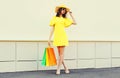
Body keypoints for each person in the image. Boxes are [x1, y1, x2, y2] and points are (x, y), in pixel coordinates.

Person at [48, 4, 76, 75]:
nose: (63, 11)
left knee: (61, 55)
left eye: (64, 10)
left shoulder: (65, 19)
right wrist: (49, 39)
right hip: (57, 37)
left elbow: (75, 22)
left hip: (63, 37)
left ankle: (58, 69)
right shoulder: (54, 18)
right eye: (62, 9)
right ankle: (66, 68)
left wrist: (71, 14)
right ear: (59, 10)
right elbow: (52, 29)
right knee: (60, 55)